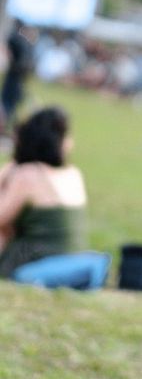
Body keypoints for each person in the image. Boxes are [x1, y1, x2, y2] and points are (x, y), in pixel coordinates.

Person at [0, 106, 109, 288]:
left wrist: (8, 172)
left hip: (35, 260)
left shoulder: (28, 174)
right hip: (75, 258)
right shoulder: (74, 173)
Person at [0, 20, 36, 132]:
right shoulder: (25, 43)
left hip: (15, 77)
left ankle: (6, 127)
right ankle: (6, 127)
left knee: (8, 104)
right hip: (18, 77)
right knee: (10, 104)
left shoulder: (17, 40)